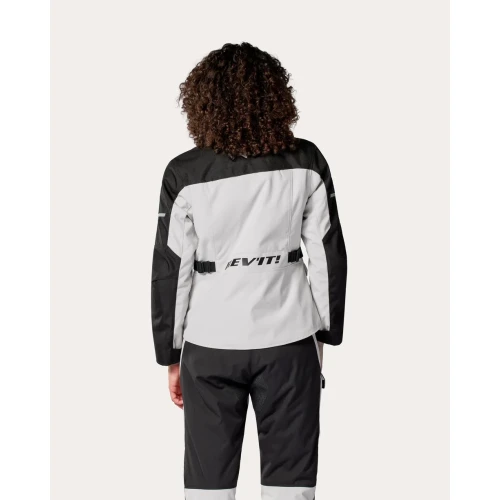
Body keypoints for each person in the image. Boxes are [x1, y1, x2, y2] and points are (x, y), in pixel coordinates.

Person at [151, 42, 347, 500]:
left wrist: (170, 355)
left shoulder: (184, 173)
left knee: (207, 489)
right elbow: (327, 256)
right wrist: (324, 337)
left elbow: (170, 272)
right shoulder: (306, 162)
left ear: (202, 101)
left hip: (210, 344)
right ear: (276, 96)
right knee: (291, 487)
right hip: (290, 340)